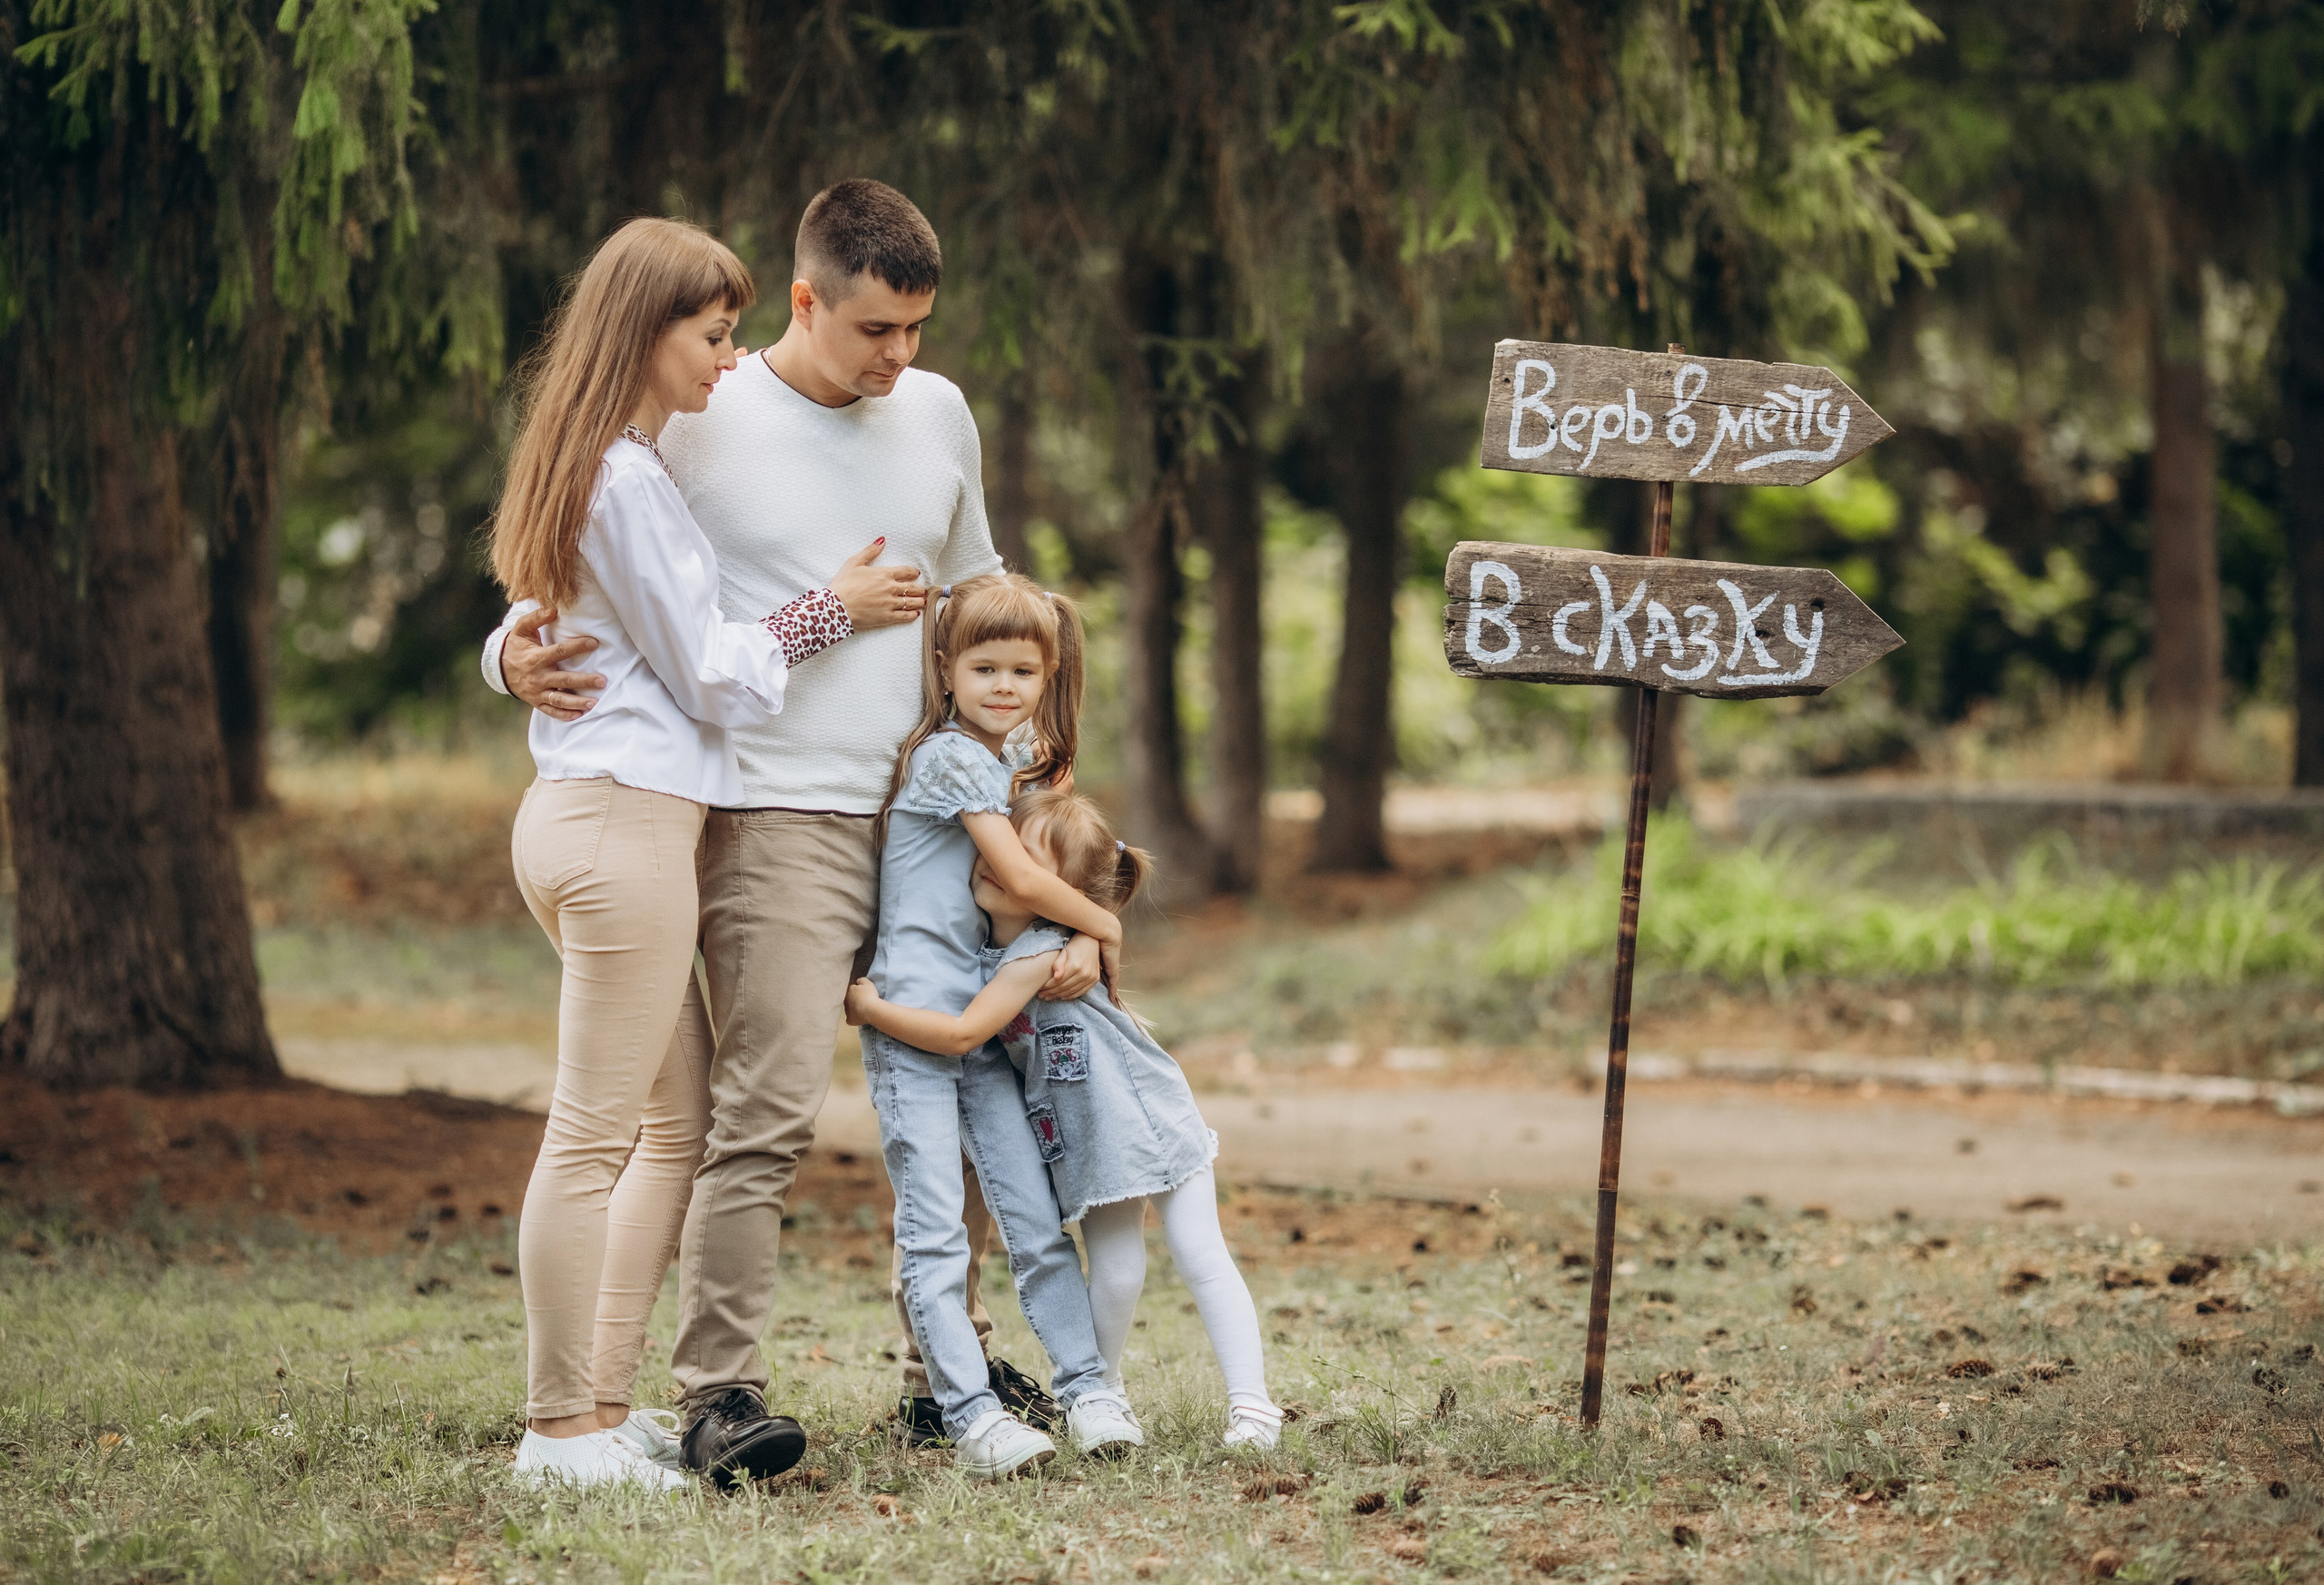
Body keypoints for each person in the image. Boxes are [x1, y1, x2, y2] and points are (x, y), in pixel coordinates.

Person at [481, 181, 1095, 1484]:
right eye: (877, 327)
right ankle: (717, 1390)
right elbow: (564, 576)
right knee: (756, 1111)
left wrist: (1027, 759)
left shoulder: (936, 412)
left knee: (974, 1078)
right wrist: (505, 654)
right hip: (770, 809)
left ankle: (950, 1371)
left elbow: (982, 594)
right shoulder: (699, 413)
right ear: (804, 298)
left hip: (934, 809)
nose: (902, 357)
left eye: (920, 327)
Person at [486, 218, 862, 1491]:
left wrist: (502, 656)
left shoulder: (601, 459)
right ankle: (557, 1430)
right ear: (643, 331)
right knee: (595, 1134)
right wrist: (830, 613)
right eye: (711, 335)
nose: (729, 356)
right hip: (624, 821)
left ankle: (598, 1404)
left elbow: (536, 628)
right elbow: (708, 671)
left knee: (674, 1120)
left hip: (603, 817)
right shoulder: (626, 478)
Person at [847, 788, 1285, 1452]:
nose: (1000, 866)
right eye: (999, 849)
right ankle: (1099, 1396)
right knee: (1115, 1271)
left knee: (1202, 1255)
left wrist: (870, 1010)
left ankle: (1253, 1408)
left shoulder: (1037, 955)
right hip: (1090, 1142)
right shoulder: (986, 952)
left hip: (1151, 1116)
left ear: (1061, 895)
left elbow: (965, 1033)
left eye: (1027, 864)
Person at [856, 573, 1142, 1478]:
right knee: (936, 1231)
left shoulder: (1006, 766)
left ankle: (1088, 1388)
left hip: (985, 1029)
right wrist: (1102, 922)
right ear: (946, 670)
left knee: (1029, 1221)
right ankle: (970, 1411)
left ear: (1048, 674)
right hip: (915, 1029)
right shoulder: (950, 757)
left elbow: (1026, 893)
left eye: (1024, 670)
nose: (1005, 686)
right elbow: (1020, 881)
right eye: (985, 667)